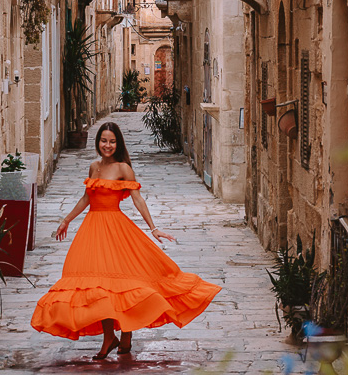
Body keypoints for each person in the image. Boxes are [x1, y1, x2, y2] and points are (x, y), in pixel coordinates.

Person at [31, 121, 221, 359]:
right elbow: (86, 198)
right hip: (92, 231)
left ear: (117, 144)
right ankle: (110, 337)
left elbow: (137, 199)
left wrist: (154, 228)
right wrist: (66, 220)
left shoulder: (123, 168)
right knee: (99, 287)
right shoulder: (93, 167)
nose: (107, 145)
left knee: (123, 284)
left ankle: (127, 335)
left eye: (112, 141)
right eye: (103, 140)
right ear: (97, 142)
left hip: (116, 230)